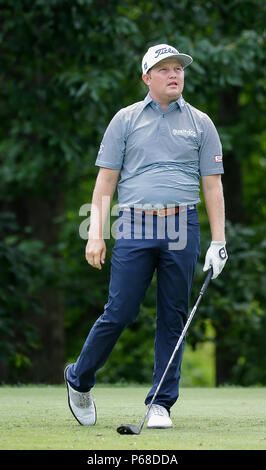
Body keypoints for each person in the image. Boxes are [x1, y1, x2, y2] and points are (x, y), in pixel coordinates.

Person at [64, 44, 228, 429]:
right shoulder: (125, 119)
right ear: (147, 77)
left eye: (178, 69)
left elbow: (213, 185)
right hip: (135, 224)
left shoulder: (201, 123)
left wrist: (219, 241)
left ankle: (160, 404)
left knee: (173, 316)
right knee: (119, 312)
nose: (174, 74)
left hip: (181, 225)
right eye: (165, 69)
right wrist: (96, 234)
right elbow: (106, 179)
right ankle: (79, 378)